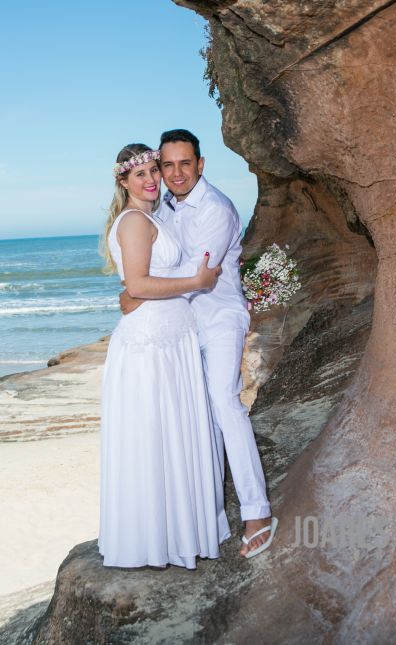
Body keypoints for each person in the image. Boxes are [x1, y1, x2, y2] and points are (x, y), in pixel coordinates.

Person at [119, 129, 278, 559]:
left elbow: (196, 273)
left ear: (200, 164)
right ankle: (209, 523)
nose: (174, 173)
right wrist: (137, 287)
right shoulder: (163, 208)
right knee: (195, 420)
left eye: (183, 163)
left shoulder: (218, 209)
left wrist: (137, 292)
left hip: (220, 317)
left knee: (225, 404)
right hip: (180, 324)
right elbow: (150, 262)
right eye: (166, 165)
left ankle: (257, 512)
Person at [98, 143, 231, 569]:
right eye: (140, 174)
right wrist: (196, 280)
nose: (152, 179)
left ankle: (177, 531)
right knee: (157, 438)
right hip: (153, 345)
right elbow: (137, 285)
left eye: (154, 170)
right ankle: (160, 539)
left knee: (171, 436)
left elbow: (138, 285)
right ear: (123, 181)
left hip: (172, 338)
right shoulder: (135, 220)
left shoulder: (153, 217)